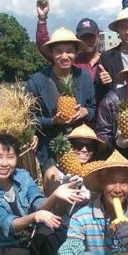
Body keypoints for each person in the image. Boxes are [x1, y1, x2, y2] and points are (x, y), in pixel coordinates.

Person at [27, 28, 97, 188]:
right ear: (51, 53)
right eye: (59, 51)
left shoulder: (84, 77)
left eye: (69, 51)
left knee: (85, 188)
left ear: (76, 53)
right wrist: (52, 121)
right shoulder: (37, 81)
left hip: (79, 143)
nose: (64, 56)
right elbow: (29, 119)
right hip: (50, 144)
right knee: (54, 183)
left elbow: (93, 108)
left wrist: (84, 111)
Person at [35, 0, 108, 99]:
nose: (88, 41)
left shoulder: (108, 60)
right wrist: (42, 18)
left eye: (91, 37)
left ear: (98, 36)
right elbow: (46, 48)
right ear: (78, 38)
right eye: (84, 37)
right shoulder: (70, 61)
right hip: (76, 111)